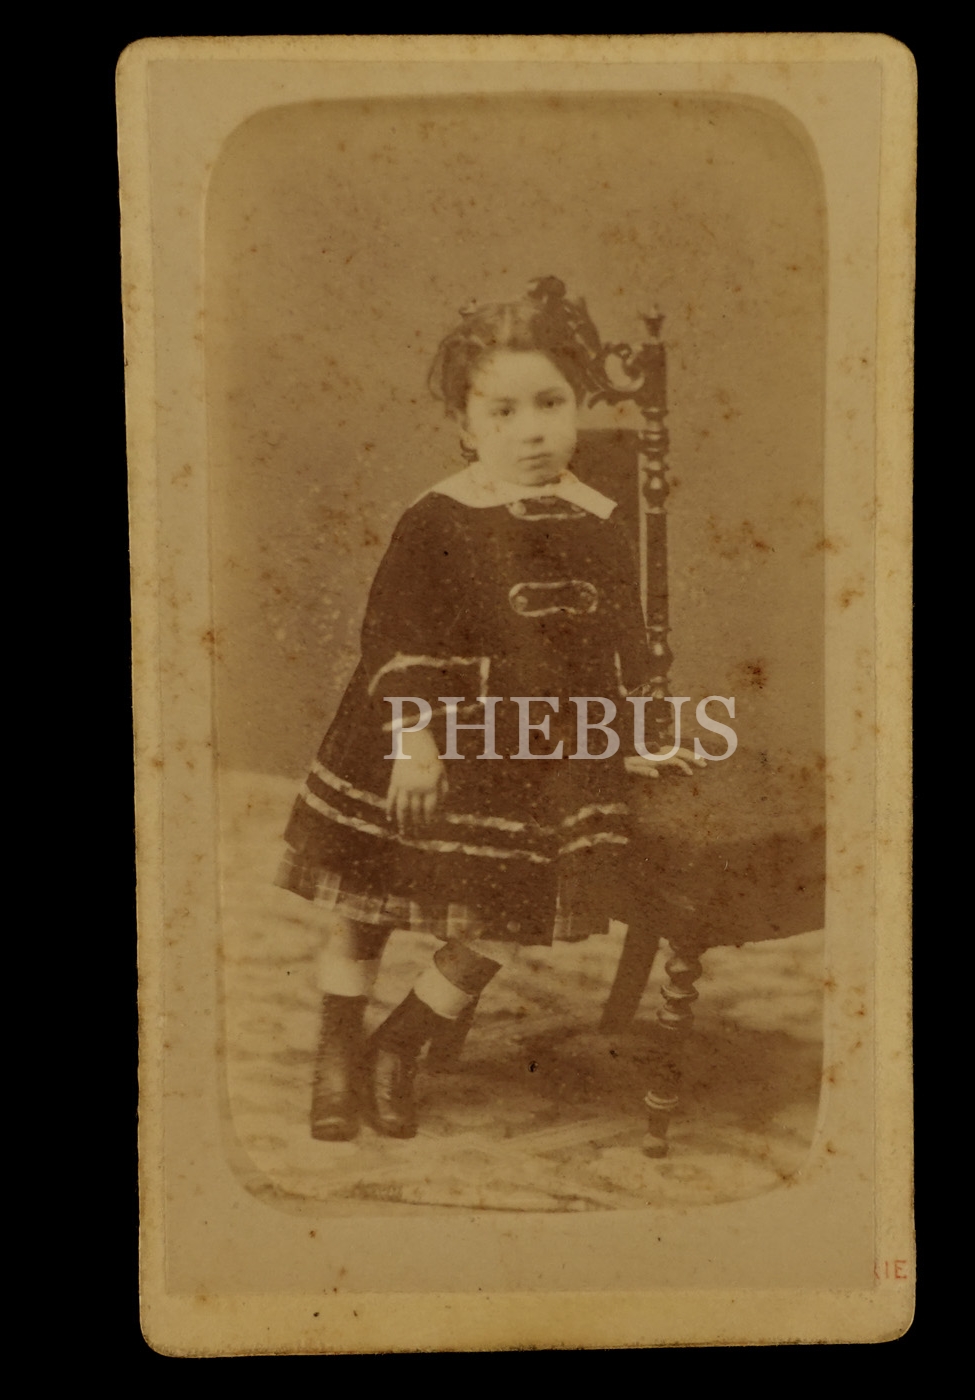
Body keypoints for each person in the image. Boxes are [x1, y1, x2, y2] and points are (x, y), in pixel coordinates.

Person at [276, 277, 697, 1142]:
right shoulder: (438, 520)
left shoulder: (598, 523)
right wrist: (415, 742)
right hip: (419, 743)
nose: (531, 430)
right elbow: (394, 637)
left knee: (507, 914)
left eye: (550, 404)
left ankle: (399, 1042)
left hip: (530, 759)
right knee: (366, 906)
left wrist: (626, 738)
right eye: (502, 412)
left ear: (578, 405)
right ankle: (337, 1049)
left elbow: (611, 649)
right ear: (466, 426)